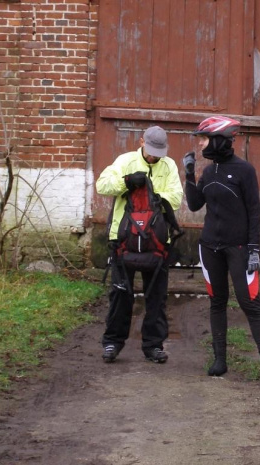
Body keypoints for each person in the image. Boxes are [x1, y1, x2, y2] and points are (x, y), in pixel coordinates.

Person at [182, 116, 260, 383]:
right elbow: (194, 205)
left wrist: (254, 249)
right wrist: (189, 174)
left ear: (218, 139)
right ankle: (219, 360)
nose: (200, 144)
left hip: (238, 247)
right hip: (209, 247)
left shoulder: (244, 170)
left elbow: (253, 211)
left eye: (203, 139)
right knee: (217, 302)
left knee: (250, 303)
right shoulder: (210, 171)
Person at [96, 125, 183, 364]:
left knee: (156, 296)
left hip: (157, 243)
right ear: (142, 141)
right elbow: (102, 186)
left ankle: (153, 346)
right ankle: (112, 343)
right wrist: (127, 183)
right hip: (123, 240)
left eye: (159, 152)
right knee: (120, 295)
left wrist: (154, 194)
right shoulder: (125, 161)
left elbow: (176, 198)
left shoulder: (169, 166)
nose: (155, 156)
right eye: (152, 150)